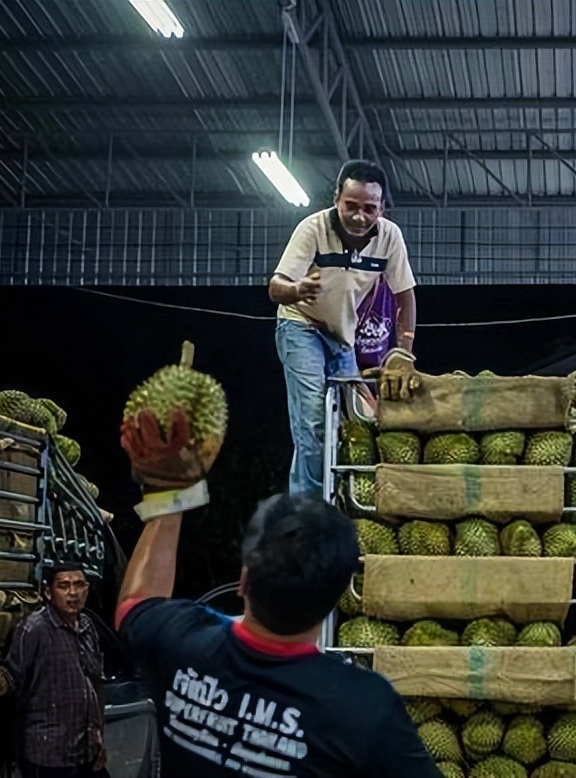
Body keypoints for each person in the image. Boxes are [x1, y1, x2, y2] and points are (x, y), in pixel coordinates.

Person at [112, 406, 441, 778]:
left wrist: (172, 491)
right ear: (335, 598)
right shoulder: (364, 709)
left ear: (243, 579)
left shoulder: (181, 644)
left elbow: (134, 604)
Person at [268, 159, 418, 497]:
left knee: (358, 420)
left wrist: (403, 353)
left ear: (382, 208)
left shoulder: (390, 237)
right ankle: (308, 512)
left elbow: (405, 298)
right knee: (313, 420)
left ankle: (345, 501)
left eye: (369, 208)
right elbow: (275, 287)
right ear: (336, 197)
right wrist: (296, 289)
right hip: (300, 326)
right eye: (351, 205)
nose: (359, 216)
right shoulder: (312, 228)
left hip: (342, 337)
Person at [0, 564, 109, 778]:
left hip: (86, 750)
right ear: (48, 592)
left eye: (79, 585)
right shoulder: (34, 629)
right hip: (49, 753)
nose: (73, 592)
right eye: (64, 586)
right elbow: (10, 675)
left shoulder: (87, 626)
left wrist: (99, 735)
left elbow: (94, 683)